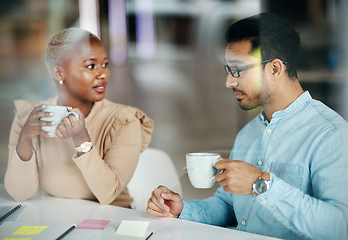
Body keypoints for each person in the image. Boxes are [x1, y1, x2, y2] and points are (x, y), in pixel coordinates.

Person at [146, 13, 348, 240]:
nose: (229, 82)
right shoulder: (248, 133)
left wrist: (260, 184)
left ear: (274, 69)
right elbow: (230, 206)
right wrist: (182, 209)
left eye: (238, 70)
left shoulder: (331, 135)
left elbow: (339, 227)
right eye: (228, 70)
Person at [4, 28, 153, 208]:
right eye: (91, 66)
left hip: (112, 221)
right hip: (58, 220)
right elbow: (19, 194)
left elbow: (108, 193)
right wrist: (25, 139)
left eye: (105, 64)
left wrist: (82, 140)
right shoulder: (29, 118)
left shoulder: (124, 121)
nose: (103, 74)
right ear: (59, 73)